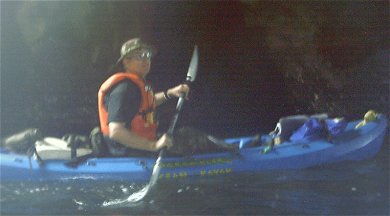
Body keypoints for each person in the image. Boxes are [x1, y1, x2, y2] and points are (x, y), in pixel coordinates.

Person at [98, 38, 189, 156]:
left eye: (148, 55)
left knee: (185, 133)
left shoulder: (135, 86)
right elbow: (116, 132)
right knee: (192, 138)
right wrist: (153, 146)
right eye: (139, 56)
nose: (146, 59)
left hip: (139, 146)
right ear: (126, 61)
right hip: (127, 151)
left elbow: (147, 103)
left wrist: (170, 93)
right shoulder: (124, 89)